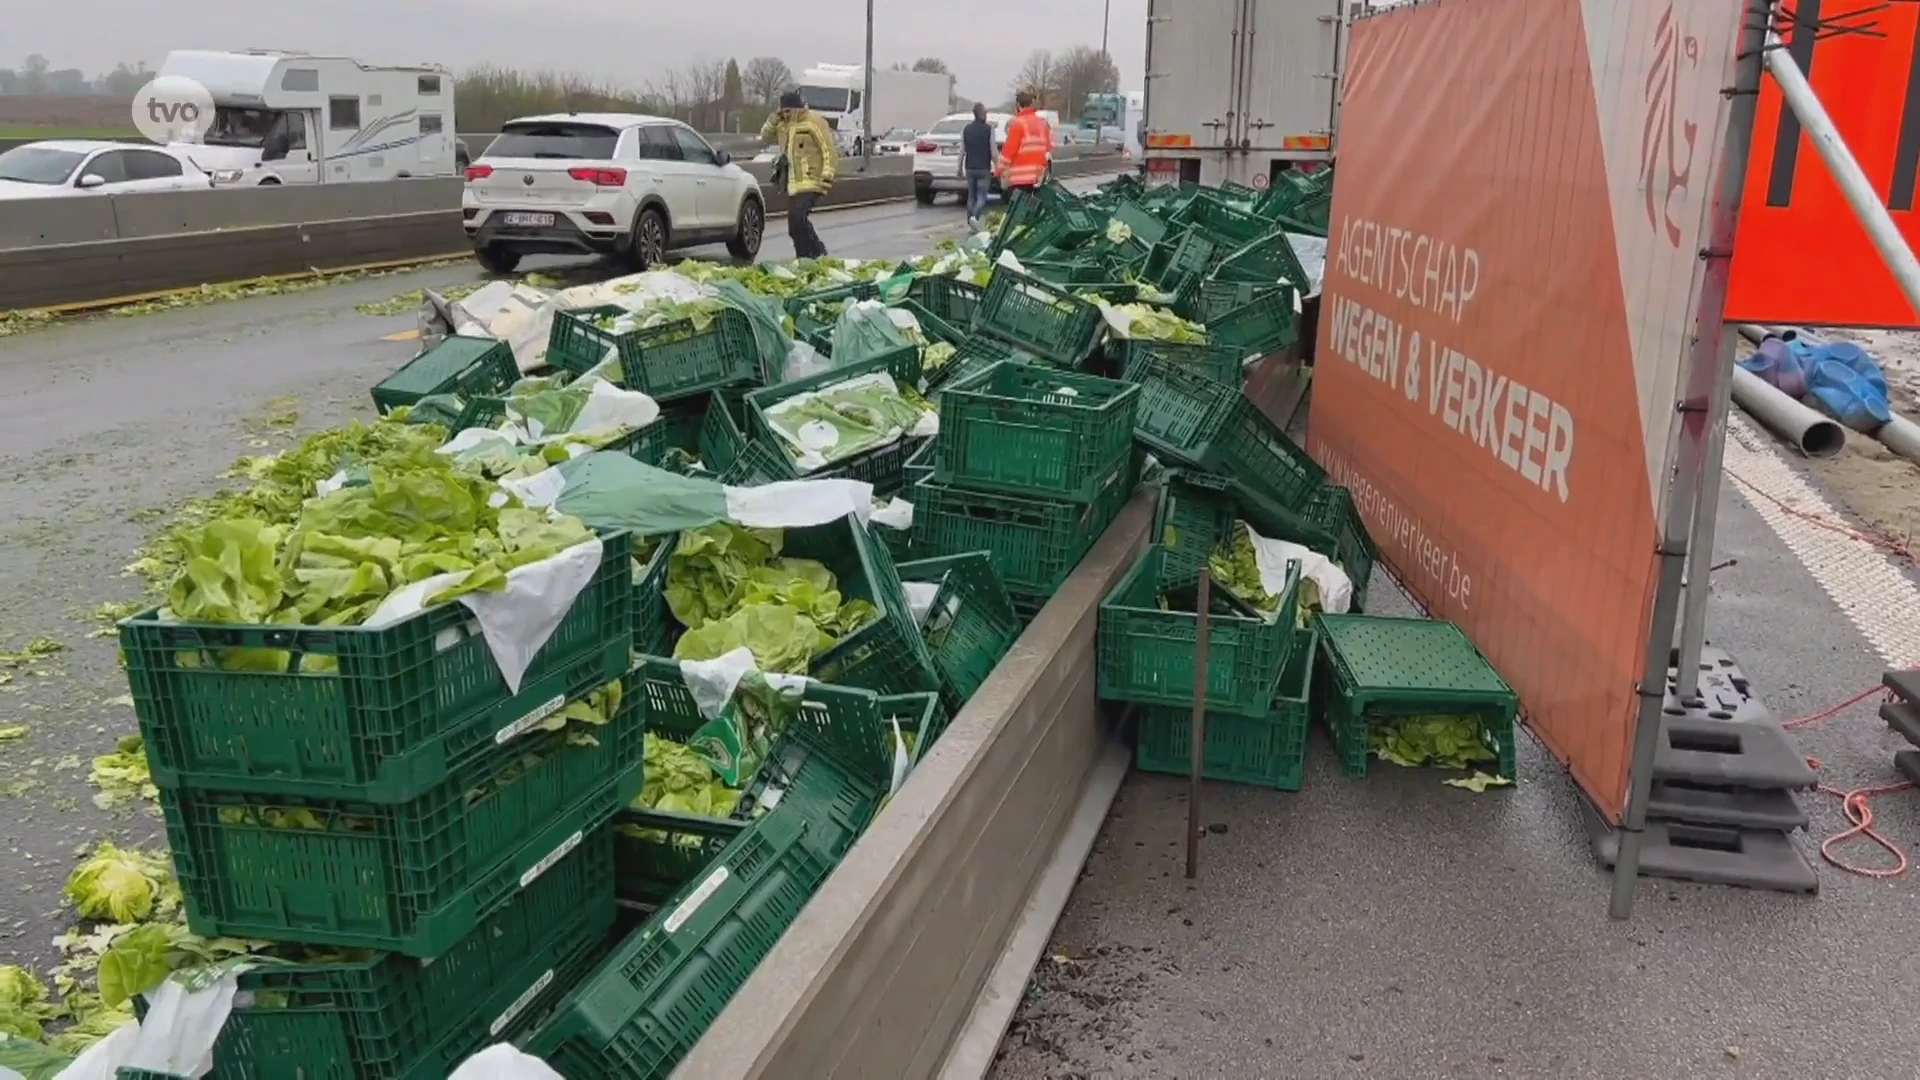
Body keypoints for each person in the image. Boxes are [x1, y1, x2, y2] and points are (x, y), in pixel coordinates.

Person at [760, 91, 839, 259]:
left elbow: (828, 150)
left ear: (797, 108)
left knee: (798, 219)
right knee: (793, 227)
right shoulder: (782, 125)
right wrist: (773, 119)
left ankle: (819, 254)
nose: (786, 114)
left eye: (788, 111)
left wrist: (827, 175)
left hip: (812, 180)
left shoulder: (814, 122)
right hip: (792, 182)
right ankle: (803, 258)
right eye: (783, 111)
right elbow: (765, 136)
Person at [995, 90, 1053, 200]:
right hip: (1037, 179)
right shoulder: (1043, 124)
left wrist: (998, 171)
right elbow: (1048, 148)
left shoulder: (1018, 124)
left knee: (1018, 212)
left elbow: (1009, 153)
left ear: (1018, 105)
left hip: (1019, 179)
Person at [961, 102, 996, 230]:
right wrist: (997, 166)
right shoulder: (989, 129)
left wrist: (958, 168)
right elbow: (993, 151)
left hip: (969, 167)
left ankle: (971, 220)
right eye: (985, 112)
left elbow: (962, 150)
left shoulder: (966, 129)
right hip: (983, 168)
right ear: (981, 114)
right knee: (982, 196)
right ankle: (974, 217)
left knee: (971, 196)